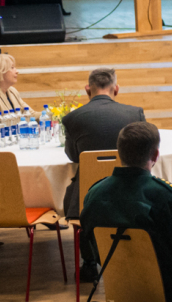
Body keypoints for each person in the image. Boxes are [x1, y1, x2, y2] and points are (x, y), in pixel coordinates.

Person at [79, 121, 172, 302]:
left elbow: (92, 248)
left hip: (121, 294)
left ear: (119, 152)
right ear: (156, 155)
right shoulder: (169, 197)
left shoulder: (94, 194)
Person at [62, 67, 146, 273]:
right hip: (129, 189)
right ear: (116, 89)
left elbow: (73, 156)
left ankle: (89, 263)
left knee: (75, 193)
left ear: (87, 90)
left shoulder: (72, 118)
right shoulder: (134, 113)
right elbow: (142, 153)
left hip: (89, 193)